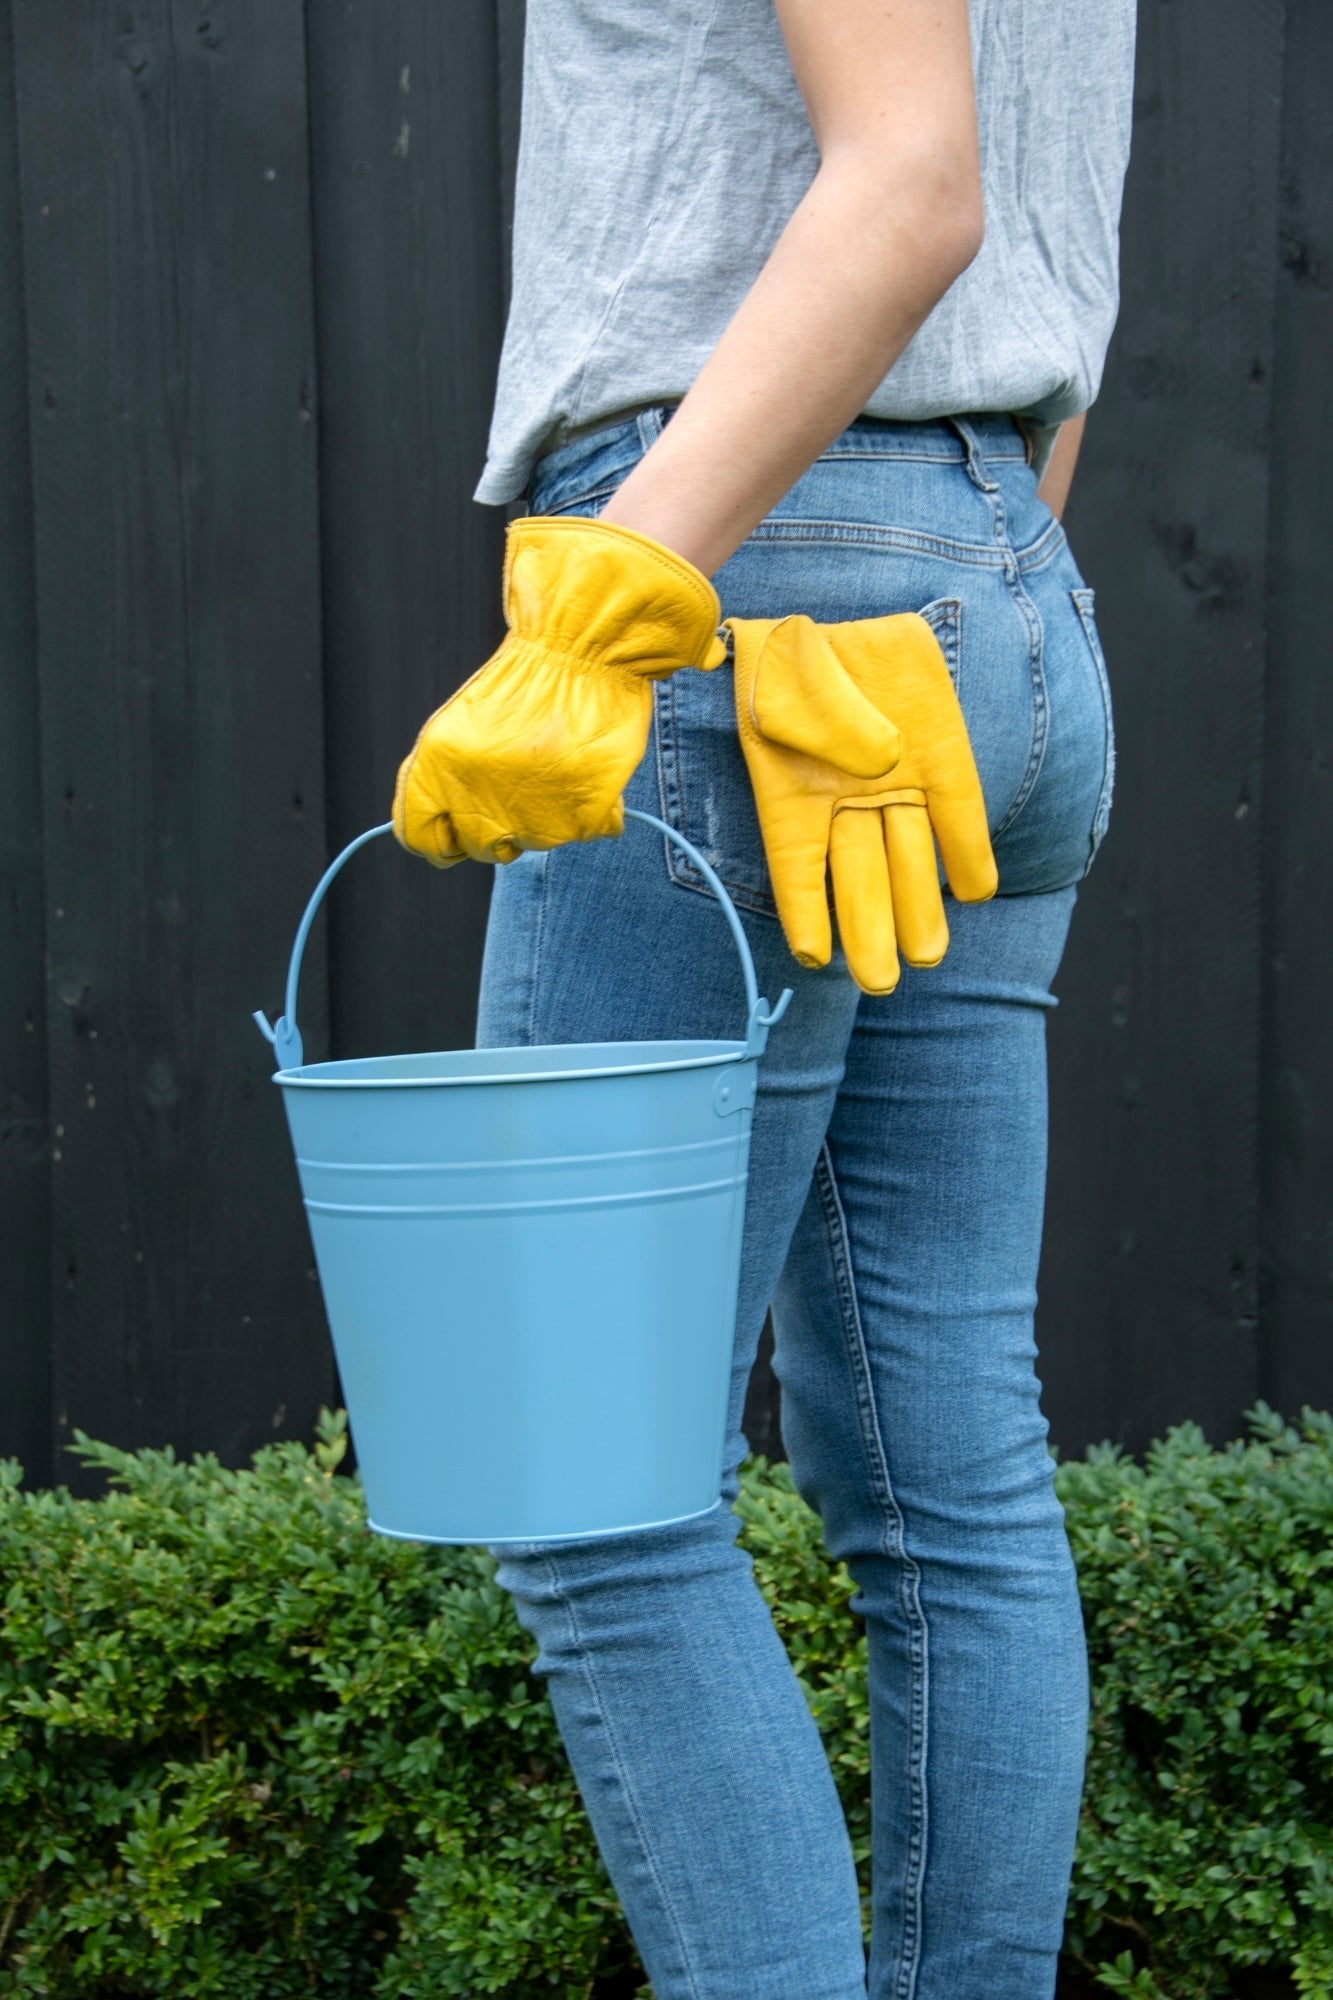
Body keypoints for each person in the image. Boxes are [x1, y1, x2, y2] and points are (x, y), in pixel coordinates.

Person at [393, 2, 1135, 1994]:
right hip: (990, 580)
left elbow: (914, 183)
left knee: (588, 1476)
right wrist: (947, 582)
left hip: (730, 577)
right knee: (944, 1468)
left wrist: (632, 589)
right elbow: (1051, 232)